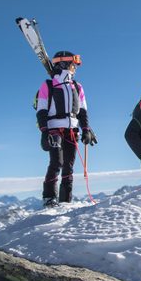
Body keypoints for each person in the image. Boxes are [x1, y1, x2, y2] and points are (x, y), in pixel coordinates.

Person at [36, 51, 97, 207]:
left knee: (68, 166)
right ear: (64, 64)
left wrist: (86, 129)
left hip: (72, 131)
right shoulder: (48, 85)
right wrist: (44, 132)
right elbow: (41, 110)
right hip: (54, 130)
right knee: (57, 162)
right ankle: (49, 198)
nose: (75, 68)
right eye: (73, 65)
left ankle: (65, 201)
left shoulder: (77, 86)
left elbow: (82, 110)